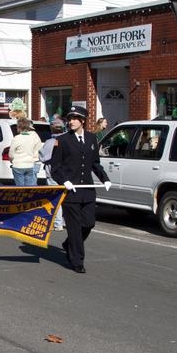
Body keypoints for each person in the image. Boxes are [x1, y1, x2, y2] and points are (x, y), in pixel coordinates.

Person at [50, 104, 111, 274]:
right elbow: (55, 168)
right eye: (69, 118)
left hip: (87, 190)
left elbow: (94, 163)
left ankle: (69, 244)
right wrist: (64, 181)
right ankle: (77, 261)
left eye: (75, 118)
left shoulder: (92, 138)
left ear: (83, 121)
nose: (71, 121)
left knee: (88, 223)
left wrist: (105, 178)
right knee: (75, 227)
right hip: (71, 191)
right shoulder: (62, 140)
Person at [39, 118, 66, 231]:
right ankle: (65, 221)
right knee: (66, 199)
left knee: (56, 199)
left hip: (53, 173)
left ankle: (58, 223)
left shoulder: (50, 142)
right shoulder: (69, 140)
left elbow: (42, 157)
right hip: (68, 174)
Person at [8, 117, 43, 186]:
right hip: (29, 164)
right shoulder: (32, 137)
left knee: (20, 187)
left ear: (19, 127)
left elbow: (11, 153)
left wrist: (11, 160)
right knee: (29, 187)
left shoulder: (17, 138)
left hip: (18, 165)